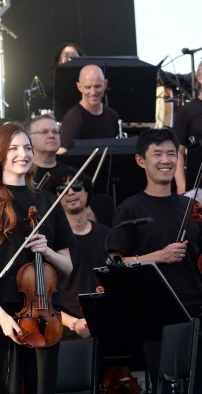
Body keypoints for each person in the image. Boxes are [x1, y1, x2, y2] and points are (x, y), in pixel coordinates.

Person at [0, 122, 75, 394]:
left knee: (43, 387)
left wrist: (46, 251)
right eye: (13, 148)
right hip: (3, 308)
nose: (22, 153)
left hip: (46, 313)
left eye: (26, 147)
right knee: (7, 386)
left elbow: (67, 267)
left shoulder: (48, 201)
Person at [109, 129, 202, 388]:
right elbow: (115, 266)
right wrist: (158, 257)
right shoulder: (130, 208)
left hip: (196, 315)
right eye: (157, 154)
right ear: (141, 160)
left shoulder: (192, 208)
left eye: (172, 154)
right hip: (157, 320)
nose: (166, 160)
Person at [47, 169, 109, 341]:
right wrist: (74, 323)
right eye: (62, 188)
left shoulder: (107, 235)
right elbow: (43, 295)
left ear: (86, 191)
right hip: (67, 331)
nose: (71, 192)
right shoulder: (51, 242)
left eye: (76, 186)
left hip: (106, 326)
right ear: (56, 198)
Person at [58, 65, 120, 153]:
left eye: (97, 86)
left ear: (105, 84)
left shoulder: (112, 115)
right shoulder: (72, 119)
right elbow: (62, 153)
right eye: (88, 87)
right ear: (79, 87)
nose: (93, 92)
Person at [173, 61, 202, 194]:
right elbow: (178, 151)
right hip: (196, 188)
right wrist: (181, 185)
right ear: (200, 78)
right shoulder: (187, 111)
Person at [27, 114, 75, 185]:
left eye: (55, 132)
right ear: (30, 140)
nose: (51, 136)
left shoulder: (70, 174)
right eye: (44, 132)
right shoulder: (22, 173)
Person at [40, 43, 84, 114]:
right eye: (66, 55)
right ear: (58, 61)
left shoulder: (87, 89)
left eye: (74, 56)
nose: (70, 59)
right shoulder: (49, 92)